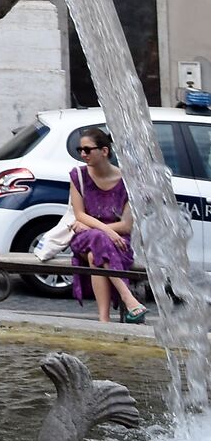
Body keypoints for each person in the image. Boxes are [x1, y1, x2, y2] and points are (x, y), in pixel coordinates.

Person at [69, 126, 148, 322]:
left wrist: (99, 230)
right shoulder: (78, 176)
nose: (83, 154)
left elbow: (126, 226)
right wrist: (106, 230)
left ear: (104, 151)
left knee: (94, 254)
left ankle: (104, 320)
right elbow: (79, 214)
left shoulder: (127, 182)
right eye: (80, 150)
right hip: (86, 238)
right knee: (97, 238)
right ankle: (128, 298)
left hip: (117, 242)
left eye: (87, 150)